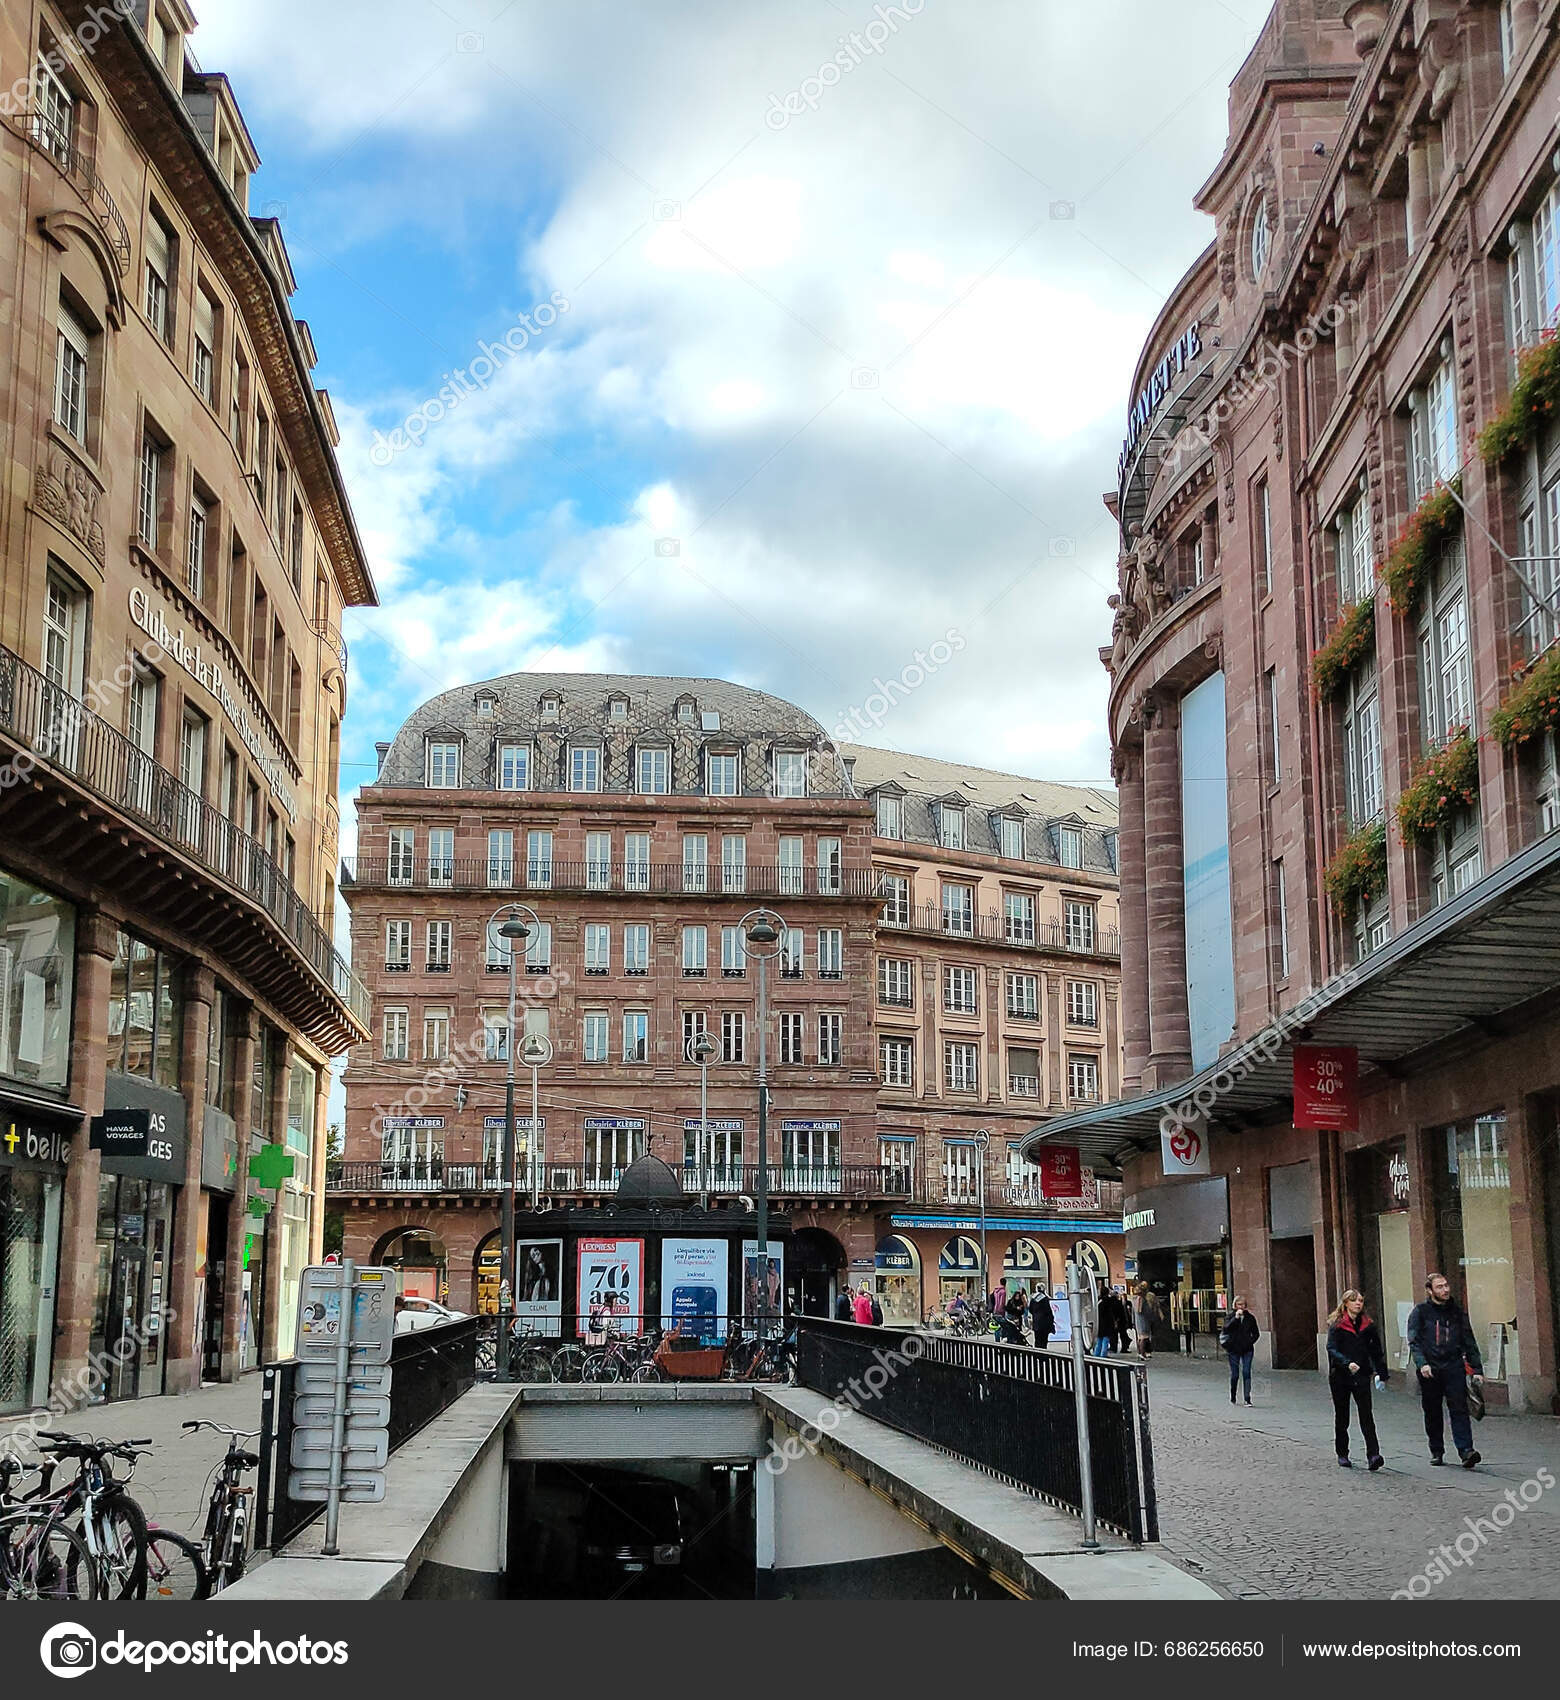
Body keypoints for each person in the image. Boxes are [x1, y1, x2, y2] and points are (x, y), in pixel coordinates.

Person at [1407, 1272, 1484, 1468]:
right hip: (1430, 1369)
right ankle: (1437, 1450)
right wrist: (1421, 1363)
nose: (1445, 1290)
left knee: (1459, 1408)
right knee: (1432, 1411)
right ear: (1430, 1290)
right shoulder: (1421, 1312)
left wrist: (1476, 1369)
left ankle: (1466, 1450)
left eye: (1446, 1285)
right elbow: (1414, 1341)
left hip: (1454, 1366)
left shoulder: (1457, 1312)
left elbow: (1469, 1340)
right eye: (1440, 1287)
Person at [1326, 1289, 1389, 1469]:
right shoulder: (1337, 1325)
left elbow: (1376, 1351)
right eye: (1354, 1301)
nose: (1358, 1304)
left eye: (1360, 1300)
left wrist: (1381, 1373)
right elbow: (1331, 1348)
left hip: (1361, 1375)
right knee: (1342, 1416)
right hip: (1340, 1376)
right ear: (1346, 1303)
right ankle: (1342, 1453)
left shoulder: (1368, 1326)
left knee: (1366, 1415)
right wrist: (1346, 1363)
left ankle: (1374, 1455)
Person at [1220, 1297, 1261, 1404]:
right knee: (1235, 1374)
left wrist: (1249, 1341)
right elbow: (1226, 1328)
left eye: (1242, 1304)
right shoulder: (1230, 1317)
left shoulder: (1250, 1318)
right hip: (1233, 1349)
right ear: (1235, 1305)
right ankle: (1233, 1395)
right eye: (1238, 1304)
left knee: (1246, 1372)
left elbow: (1256, 1333)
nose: (1241, 1306)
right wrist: (1236, 1318)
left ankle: (1247, 1398)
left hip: (1247, 1349)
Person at [1133, 1282, 1161, 1359]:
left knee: (1140, 1337)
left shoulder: (1135, 1298)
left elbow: (1135, 1311)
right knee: (1144, 1337)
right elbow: (1140, 1310)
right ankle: (1142, 1354)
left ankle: (1140, 1353)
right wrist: (1150, 1312)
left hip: (1138, 1320)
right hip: (1143, 1320)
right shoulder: (1141, 1298)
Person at [1028, 1285, 1055, 1351]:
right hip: (1044, 1323)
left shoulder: (1033, 1298)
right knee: (1044, 1340)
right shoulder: (1045, 1299)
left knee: (1037, 1339)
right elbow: (1048, 1311)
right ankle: (1043, 1355)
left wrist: (1035, 1315)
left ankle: (1037, 1354)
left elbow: (1030, 1309)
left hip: (1036, 1322)